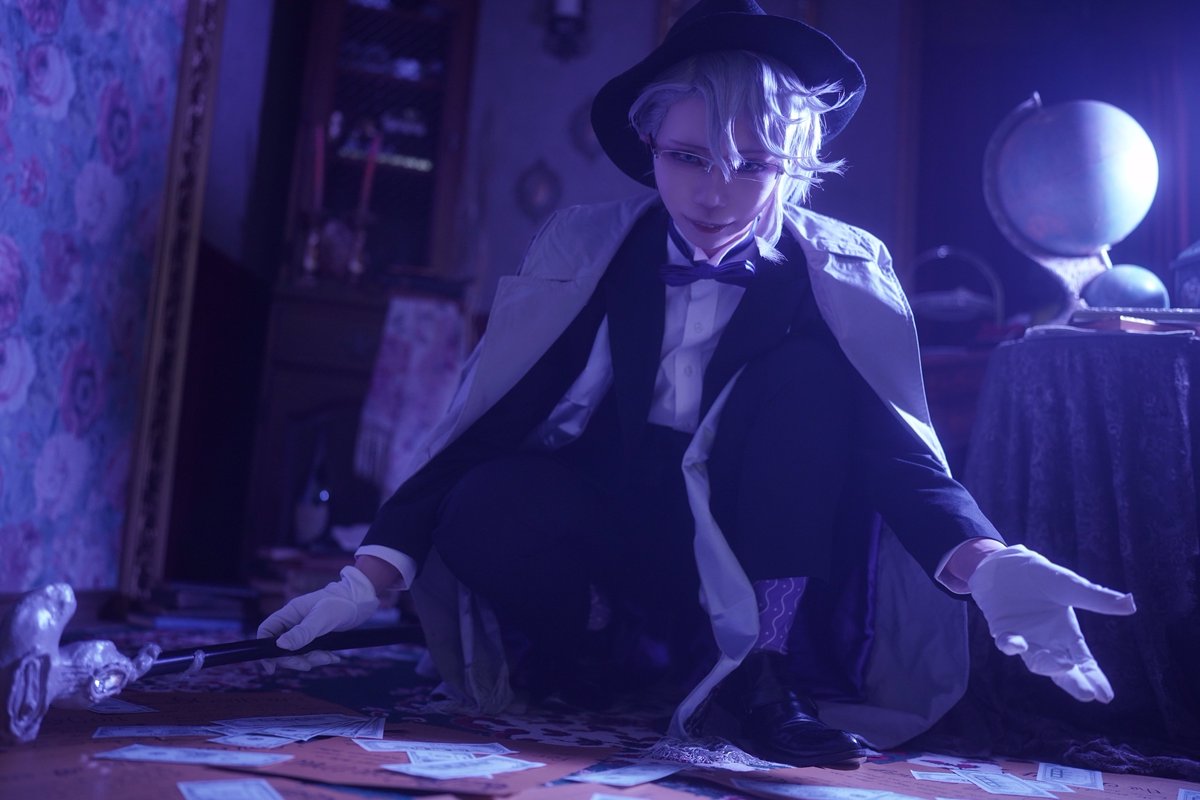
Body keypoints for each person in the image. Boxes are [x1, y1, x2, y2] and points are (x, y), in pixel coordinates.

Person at [258, 0, 1137, 769]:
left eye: (752, 165)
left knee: (808, 383)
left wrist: (987, 563)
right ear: (648, 144)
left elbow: (895, 454)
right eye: (688, 156)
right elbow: (490, 418)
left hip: (767, 527)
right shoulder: (590, 249)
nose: (716, 193)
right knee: (485, 502)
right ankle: (598, 649)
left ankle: (764, 673)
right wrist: (368, 576)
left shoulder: (837, 270)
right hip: (614, 513)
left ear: (794, 164)